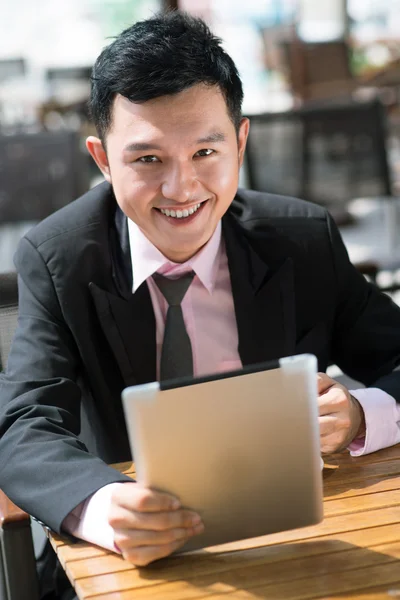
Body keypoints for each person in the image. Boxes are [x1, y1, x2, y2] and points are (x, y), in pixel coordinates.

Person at [1, 9, 400, 598]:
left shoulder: (301, 239)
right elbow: (23, 424)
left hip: (304, 539)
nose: (181, 189)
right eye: (147, 159)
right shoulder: (60, 259)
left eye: (205, 153)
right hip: (132, 557)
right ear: (103, 159)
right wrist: (104, 505)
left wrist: (364, 414)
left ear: (240, 142)